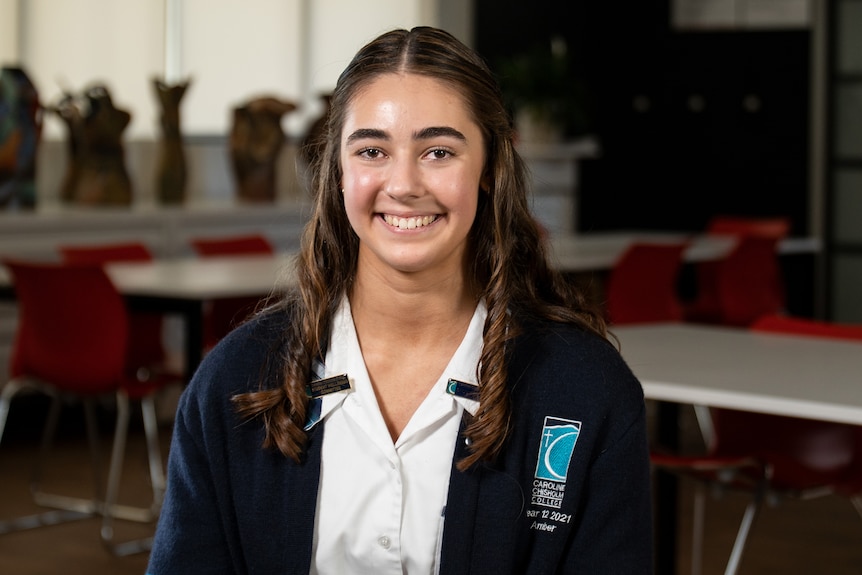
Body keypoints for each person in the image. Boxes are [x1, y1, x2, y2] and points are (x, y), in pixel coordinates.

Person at [147, 26, 653, 574]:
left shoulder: (586, 391)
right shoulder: (236, 381)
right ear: (338, 172)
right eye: (372, 150)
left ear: (489, 168)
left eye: (438, 151)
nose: (404, 183)